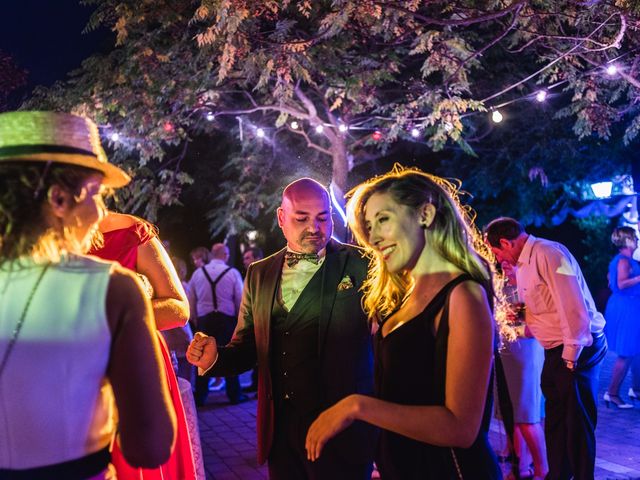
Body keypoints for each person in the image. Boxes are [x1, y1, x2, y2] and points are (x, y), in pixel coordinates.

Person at [0, 111, 176, 478]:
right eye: (96, 195)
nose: (100, 214)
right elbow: (150, 445)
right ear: (59, 198)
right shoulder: (111, 289)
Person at [304, 167, 501, 479]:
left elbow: (461, 428)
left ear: (425, 214)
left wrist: (357, 407)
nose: (373, 237)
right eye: (368, 226)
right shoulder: (400, 295)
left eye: (383, 219)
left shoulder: (463, 295)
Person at [187, 178, 376, 479]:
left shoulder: (361, 265)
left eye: (323, 217)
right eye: (302, 218)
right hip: (282, 435)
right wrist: (215, 359)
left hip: (343, 435)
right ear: (281, 218)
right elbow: (249, 345)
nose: (314, 227)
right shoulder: (259, 274)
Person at [484, 217, 607, 480]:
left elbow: (574, 308)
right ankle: (558, 475)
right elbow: (546, 308)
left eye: (497, 251)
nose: (498, 258)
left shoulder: (548, 253)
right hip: (555, 349)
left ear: (506, 242)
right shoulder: (524, 264)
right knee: (555, 422)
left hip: (578, 347)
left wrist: (571, 360)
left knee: (577, 423)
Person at [91, 211, 198, 479]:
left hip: (132, 361)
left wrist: (117, 317)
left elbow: (178, 307)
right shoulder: (30, 237)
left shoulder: (130, 231)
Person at [498, 261, 548, 480]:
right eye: (503, 262)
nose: (506, 265)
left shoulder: (532, 287)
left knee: (528, 412)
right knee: (515, 412)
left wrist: (512, 324)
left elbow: (539, 323)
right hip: (506, 352)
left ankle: (541, 468)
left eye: (512, 263)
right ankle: (522, 467)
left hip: (527, 353)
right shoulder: (500, 285)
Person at [188, 242, 247, 405]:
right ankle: (234, 395)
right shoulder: (233, 273)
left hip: (204, 319)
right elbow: (240, 300)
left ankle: (200, 396)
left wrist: (194, 318)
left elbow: (190, 298)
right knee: (230, 354)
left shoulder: (198, 274)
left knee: (200, 355)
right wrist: (239, 320)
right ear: (226, 255)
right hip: (226, 320)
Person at [603, 226, 640, 408]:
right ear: (627, 240)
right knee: (626, 352)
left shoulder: (624, 260)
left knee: (635, 351)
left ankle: (636, 389)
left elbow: (612, 281)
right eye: (634, 237)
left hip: (629, 305)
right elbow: (621, 284)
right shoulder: (623, 260)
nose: (637, 240)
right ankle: (612, 393)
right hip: (627, 308)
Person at [242, 246, 264, 393]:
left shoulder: (264, 272)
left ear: (256, 257)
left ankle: (259, 385)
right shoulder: (252, 273)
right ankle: (256, 384)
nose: (244, 261)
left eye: (247, 258)